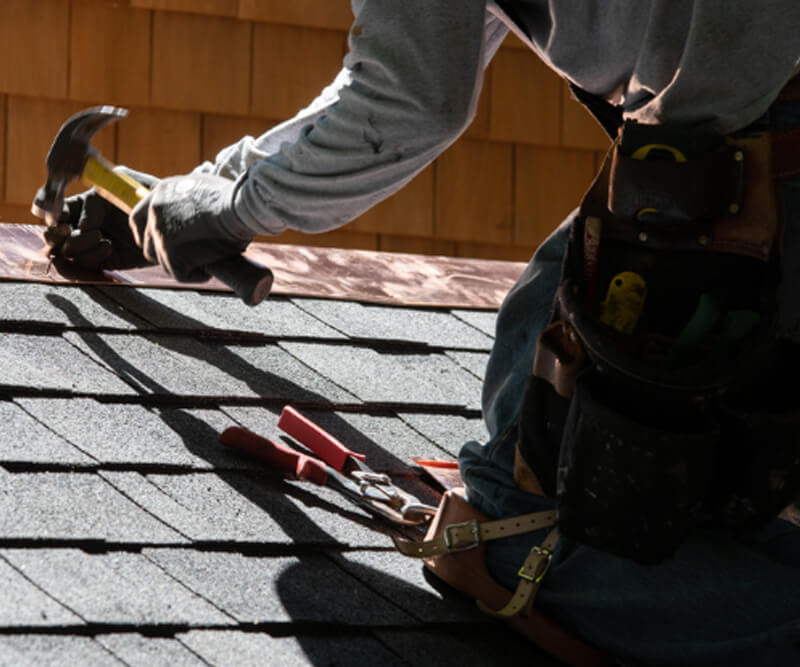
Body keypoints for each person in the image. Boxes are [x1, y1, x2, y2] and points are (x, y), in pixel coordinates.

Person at [45, 2, 800, 664]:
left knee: (515, 520)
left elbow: (405, 98)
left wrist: (214, 208)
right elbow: (401, 77)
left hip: (736, 165)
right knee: (711, 478)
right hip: (730, 153)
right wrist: (210, 191)